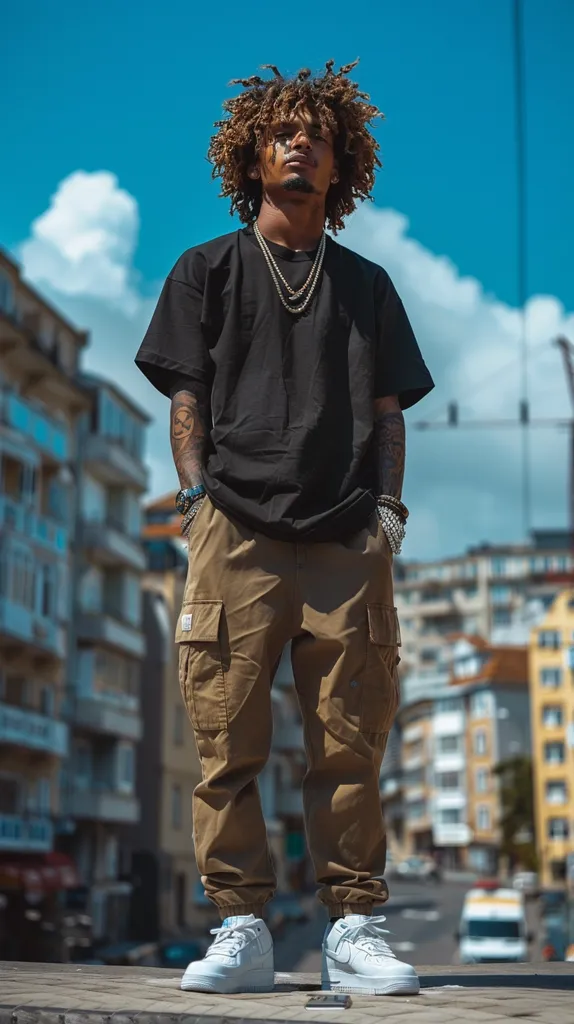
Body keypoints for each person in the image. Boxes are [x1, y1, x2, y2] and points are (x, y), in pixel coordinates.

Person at [136, 59, 434, 997]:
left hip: (348, 532)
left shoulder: (369, 286)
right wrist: (195, 501)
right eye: (280, 133)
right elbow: (186, 396)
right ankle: (240, 928)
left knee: (350, 738)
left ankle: (354, 923)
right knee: (226, 737)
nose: (298, 144)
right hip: (235, 530)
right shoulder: (206, 271)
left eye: (317, 135)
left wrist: (387, 512)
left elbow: (389, 410)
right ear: (251, 154)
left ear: (342, 165)